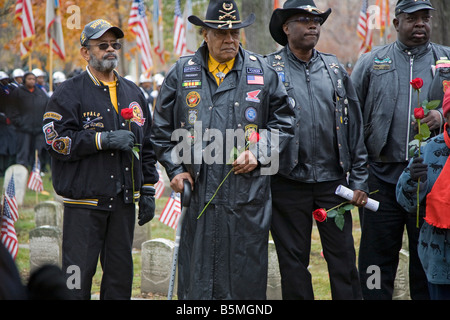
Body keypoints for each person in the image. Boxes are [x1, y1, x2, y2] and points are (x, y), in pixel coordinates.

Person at [151, 0, 294, 300]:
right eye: (221, 33)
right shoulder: (181, 72)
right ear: (205, 34)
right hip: (200, 195)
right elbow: (161, 130)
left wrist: (259, 152)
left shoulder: (262, 71)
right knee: (197, 286)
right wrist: (175, 171)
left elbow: (285, 122)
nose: (230, 40)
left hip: (246, 199)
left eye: (235, 33)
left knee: (244, 285)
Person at [42, 19, 159, 300]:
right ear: (85, 52)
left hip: (122, 203)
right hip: (84, 203)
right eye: (102, 45)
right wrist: (100, 140)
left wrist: (148, 188)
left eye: (114, 45)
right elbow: (54, 141)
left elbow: (147, 144)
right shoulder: (67, 93)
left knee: (120, 278)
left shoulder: (134, 93)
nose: (110, 49)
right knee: (76, 278)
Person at [266, 0, 369, 300]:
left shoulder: (335, 69)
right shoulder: (268, 70)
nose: (313, 25)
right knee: (294, 264)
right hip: (287, 182)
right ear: (286, 28)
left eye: (316, 20)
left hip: (332, 183)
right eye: (303, 19)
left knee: (343, 260)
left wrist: (360, 180)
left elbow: (355, 129)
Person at [351, 0, 450, 300]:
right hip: (380, 177)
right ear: (396, 23)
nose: (420, 24)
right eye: (412, 18)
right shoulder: (370, 62)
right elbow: (353, 118)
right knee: (375, 258)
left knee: (425, 257)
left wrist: (443, 116)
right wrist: (358, 173)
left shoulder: (446, 60)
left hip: (428, 178)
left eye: (425, 18)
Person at [396, 89, 450, 300]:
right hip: (439, 261)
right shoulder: (428, 150)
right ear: (446, 116)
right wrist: (413, 181)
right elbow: (406, 203)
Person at [8, 71, 48, 170]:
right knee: (23, 151)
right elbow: (12, 109)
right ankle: (22, 170)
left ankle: (36, 171)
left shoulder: (40, 92)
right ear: (24, 80)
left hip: (38, 129)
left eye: (33, 79)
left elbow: (47, 106)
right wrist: (19, 122)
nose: (32, 81)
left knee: (37, 151)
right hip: (24, 129)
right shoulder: (18, 92)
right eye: (29, 79)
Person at [0, 71, 17, 176]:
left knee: (9, 146)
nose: (5, 81)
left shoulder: (11, 89)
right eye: (3, 80)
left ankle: (7, 167)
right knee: (2, 147)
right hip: (1, 123)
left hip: (9, 121)